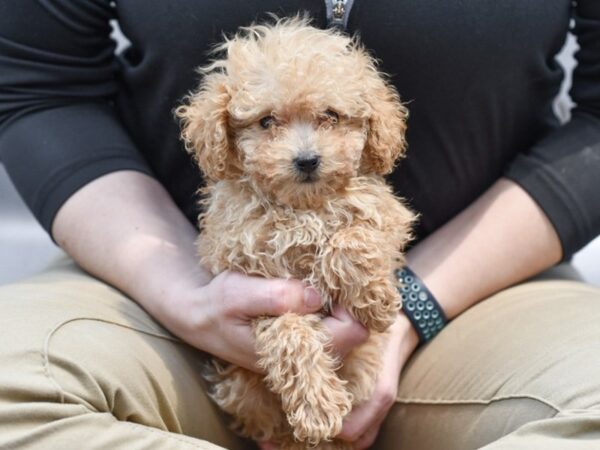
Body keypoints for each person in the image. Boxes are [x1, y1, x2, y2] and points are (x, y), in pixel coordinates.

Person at [0, 1, 599, 449]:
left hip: (490, 288)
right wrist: (183, 291)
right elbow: (38, 87)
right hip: (153, 273)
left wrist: (411, 302)